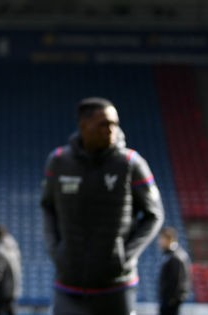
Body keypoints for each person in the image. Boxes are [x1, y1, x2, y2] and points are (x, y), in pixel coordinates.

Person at [40, 97, 164, 315]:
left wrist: (126, 256)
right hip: (69, 285)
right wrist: (55, 249)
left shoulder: (131, 163)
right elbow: (47, 207)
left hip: (116, 286)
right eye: (104, 124)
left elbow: (154, 215)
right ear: (83, 125)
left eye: (114, 124)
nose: (111, 130)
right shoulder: (58, 162)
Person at [0, 224, 22, 315]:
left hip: (1, 290)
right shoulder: (13, 250)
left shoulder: (0, 251)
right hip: (11, 289)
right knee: (9, 310)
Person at [158, 226, 191, 315]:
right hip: (167, 300)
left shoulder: (176, 256)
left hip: (171, 302)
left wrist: (171, 300)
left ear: (169, 239)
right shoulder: (169, 255)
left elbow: (177, 281)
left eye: (162, 239)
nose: (159, 242)